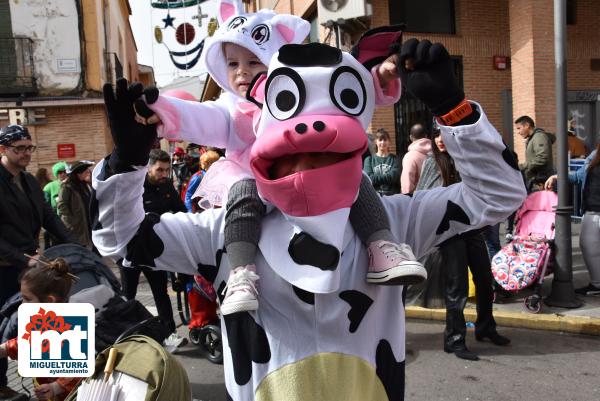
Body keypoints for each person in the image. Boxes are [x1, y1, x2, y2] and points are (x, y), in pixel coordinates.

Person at [93, 37, 526, 400]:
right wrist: (126, 161)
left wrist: (454, 112)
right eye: (294, 148)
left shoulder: (394, 222)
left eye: (324, 150)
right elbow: (122, 239)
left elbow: (497, 194)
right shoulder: (224, 231)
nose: (307, 158)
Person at [136, 8, 426, 316]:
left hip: (307, 180)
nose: (241, 73)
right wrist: (161, 109)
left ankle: (381, 246)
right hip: (255, 182)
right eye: (232, 63)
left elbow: (348, 84)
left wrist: (380, 74)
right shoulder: (232, 111)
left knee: (356, 180)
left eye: (253, 62)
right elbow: (201, 117)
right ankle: (241, 273)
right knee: (242, 198)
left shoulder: (298, 90)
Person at [417, 128, 511, 361]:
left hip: (472, 227)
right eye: (436, 135)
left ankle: (486, 327)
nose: (440, 139)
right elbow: (424, 196)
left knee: (484, 279)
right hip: (450, 232)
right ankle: (454, 339)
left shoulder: (466, 160)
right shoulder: (432, 162)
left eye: (443, 135)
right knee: (457, 286)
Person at [0, 124, 73, 400]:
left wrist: (73, 244)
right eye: (20, 149)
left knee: (41, 322)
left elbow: (48, 217)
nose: (27, 153)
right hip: (6, 268)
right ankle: (1, 385)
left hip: (31, 266)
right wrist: (20, 258)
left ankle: (53, 382)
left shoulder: (29, 181)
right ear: (3, 149)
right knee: (4, 324)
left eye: (29, 148)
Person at [119, 149, 188, 350]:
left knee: (161, 293)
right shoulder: (134, 186)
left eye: (167, 170)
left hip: (156, 251)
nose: (164, 174)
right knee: (128, 296)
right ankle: (127, 338)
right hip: (130, 251)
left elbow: (180, 210)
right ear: (149, 168)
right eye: (160, 170)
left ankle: (169, 334)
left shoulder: (166, 185)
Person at [0, 259, 81, 401]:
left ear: (49, 301)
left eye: (27, 299)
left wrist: (56, 387)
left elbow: (78, 370)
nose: (22, 304)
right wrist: (5, 348)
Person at [545, 144, 600, 295]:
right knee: (589, 246)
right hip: (592, 211)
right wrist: (557, 177)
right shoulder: (595, 155)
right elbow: (577, 176)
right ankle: (597, 284)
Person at [57, 160, 95, 249]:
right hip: (76, 225)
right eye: (86, 172)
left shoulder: (85, 184)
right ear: (78, 174)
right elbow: (61, 205)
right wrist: (72, 220)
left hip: (87, 222)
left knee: (90, 247)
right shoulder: (67, 187)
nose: (88, 174)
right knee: (79, 247)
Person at [514, 115, 556, 192]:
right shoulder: (533, 138)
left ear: (527, 125)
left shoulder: (539, 137)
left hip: (541, 182)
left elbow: (542, 158)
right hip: (536, 181)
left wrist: (522, 167)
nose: (518, 132)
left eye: (519, 128)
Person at [363, 128, 401, 196]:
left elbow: (394, 177)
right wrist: (388, 177)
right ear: (376, 142)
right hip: (375, 197)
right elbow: (369, 178)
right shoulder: (369, 160)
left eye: (385, 140)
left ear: (389, 141)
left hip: (392, 197)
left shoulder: (395, 159)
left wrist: (375, 178)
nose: (382, 142)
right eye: (380, 140)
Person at [401, 123, 432, 194]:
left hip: (418, 199)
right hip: (436, 197)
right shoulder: (436, 153)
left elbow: (407, 185)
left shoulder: (410, 156)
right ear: (426, 136)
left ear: (411, 137)